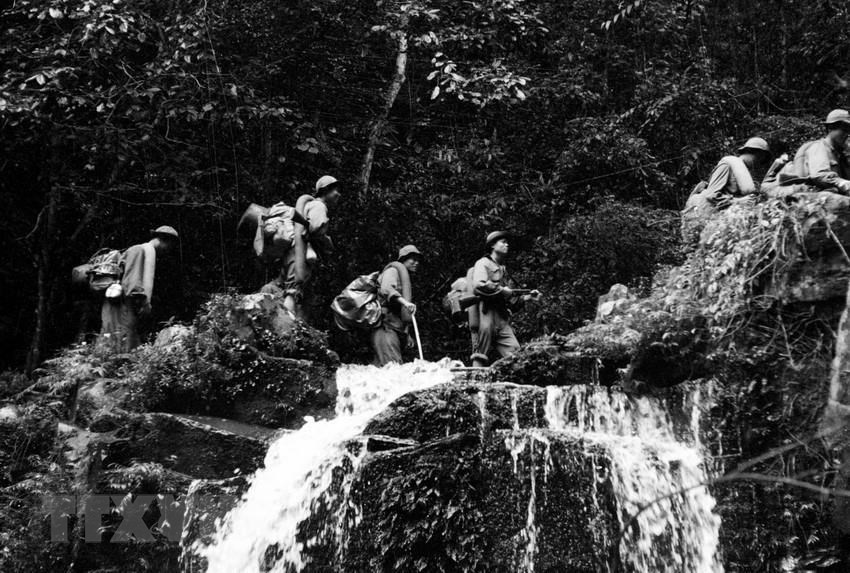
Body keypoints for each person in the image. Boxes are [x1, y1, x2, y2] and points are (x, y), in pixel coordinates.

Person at [99, 226, 179, 353]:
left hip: (120, 303)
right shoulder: (139, 250)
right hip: (122, 305)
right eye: (169, 246)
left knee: (118, 340)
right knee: (121, 341)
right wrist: (143, 303)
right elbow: (132, 283)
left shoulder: (142, 250)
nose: (168, 250)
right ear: (164, 240)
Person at [681, 137, 772, 246]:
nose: (758, 163)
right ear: (758, 154)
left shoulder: (743, 173)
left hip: (720, 224)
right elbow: (711, 195)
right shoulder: (728, 165)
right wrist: (738, 201)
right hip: (705, 221)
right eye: (760, 159)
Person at [470, 231, 538, 367]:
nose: (507, 245)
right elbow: (478, 285)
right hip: (485, 314)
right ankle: (472, 386)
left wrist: (527, 297)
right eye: (503, 242)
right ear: (492, 246)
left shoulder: (504, 270)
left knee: (516, 357)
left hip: (501, 318)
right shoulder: (482, 263)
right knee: (480, 355)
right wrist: (501, 290)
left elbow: (511, 301)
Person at [279, 175, 341, 317]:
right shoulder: (319, 206)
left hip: (294, 252)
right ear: (325, 191)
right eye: (335, 190)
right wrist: (327, 241)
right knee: (293, 290)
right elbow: (315, 228)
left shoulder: (309, 204)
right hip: (301, 253)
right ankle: (284, 327)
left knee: (291, 287)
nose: (338, 194)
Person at [772, 109, 850, 196]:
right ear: (830, 128)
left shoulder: (841, 155)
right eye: (844, 130)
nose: (847, 134)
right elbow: (819, 175)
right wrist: (843, 183)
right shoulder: (819, 147)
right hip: (804, 195)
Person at [371, 245, 421, 366]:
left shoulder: (404, 277)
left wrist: (407, 333)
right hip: (385, 327)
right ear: (403, 259)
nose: (416, 263)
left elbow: (402, 312)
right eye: (412, 259)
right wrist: (405, 302)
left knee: (383, 367)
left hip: (395, 328)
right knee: (392, 367)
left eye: (418, 260)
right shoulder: (392, 271)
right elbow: (386, 288)